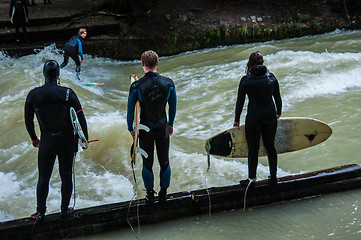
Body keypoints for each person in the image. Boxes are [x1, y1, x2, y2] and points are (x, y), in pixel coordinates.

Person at [25, 60, 88, 221]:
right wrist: (84, 138)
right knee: (66, 176)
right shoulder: (68, 93)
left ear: (44, 74)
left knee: (43, 177)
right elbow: (80, 117)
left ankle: (40, 213)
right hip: (67, 142)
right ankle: (65, 211)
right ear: (58, 74)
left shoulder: (33, 95)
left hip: (46, 142)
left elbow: (28, 120)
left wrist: (33, 138)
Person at [127, 50, 177, 204]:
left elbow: (130, 112)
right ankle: (163, 193)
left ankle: (150, 195)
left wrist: (131, 128)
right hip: (162, 126)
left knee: (147, 163)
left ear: (142, 64)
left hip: (145, 128)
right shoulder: (168, 83)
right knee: (164, 161)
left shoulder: (136, 86)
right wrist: (170, 124)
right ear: (157, 63)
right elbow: (173, 107)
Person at [233, 51, 282, 187]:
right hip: (270, 116)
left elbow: (240, 102)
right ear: (262, 63)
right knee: (270, 146)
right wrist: (278, 112)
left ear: (250, 64)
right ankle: (273, 178)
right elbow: (277, 97)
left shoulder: (246, 80)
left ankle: (251, 180)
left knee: (253, 149)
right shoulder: (271, 77)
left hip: (254, 117)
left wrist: (236, 119)